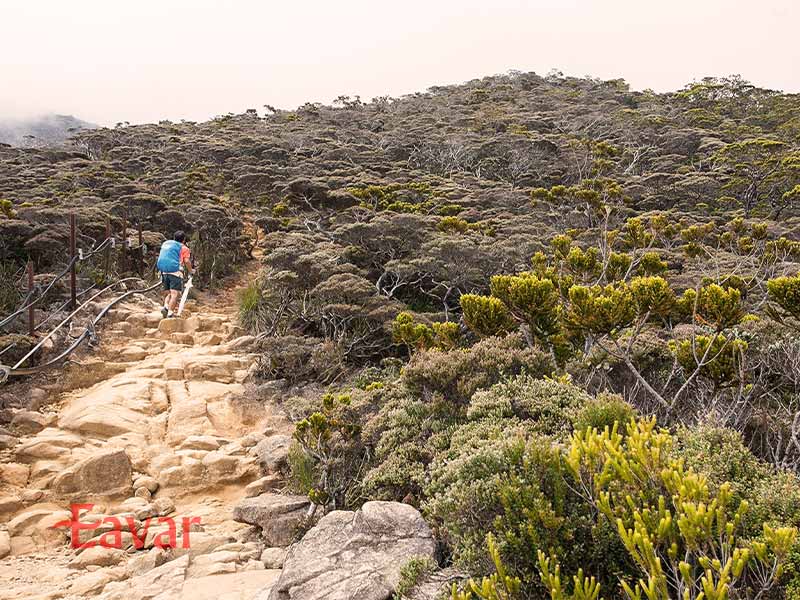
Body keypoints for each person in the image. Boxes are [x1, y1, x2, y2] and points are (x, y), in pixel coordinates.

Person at [156, 231, 193, 318]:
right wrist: (191, 271)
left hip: (164, 270)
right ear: (183, 240)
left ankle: (165, 306)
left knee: (169, 292)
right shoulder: (184, 248)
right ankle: (170, 313)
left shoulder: (167, 243)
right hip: (175, 271)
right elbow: (187, 261)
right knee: (175, 294)